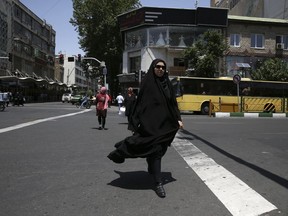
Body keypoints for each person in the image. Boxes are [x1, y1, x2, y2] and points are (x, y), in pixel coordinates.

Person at [107, 59, 183, 198]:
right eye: (157, 67)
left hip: (165, 123)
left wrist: (178, 118)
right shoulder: (148, 84)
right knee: (156, 151)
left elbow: (173, 103)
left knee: (161, 148)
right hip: (150, 124)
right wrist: (137, 122)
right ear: (153, 68)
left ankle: (148, 160)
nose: (160, 69)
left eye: (163, 67)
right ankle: (158, 183)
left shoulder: (168, 84)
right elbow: (140, 105)